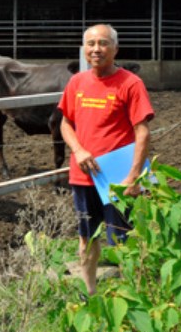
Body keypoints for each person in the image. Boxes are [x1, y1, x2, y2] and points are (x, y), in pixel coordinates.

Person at [58, 23, 154, 295]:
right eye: (90, 44)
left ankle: (133, 294)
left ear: (115, 48)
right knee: (87, 238)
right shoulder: (77, 82)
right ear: (84, 49)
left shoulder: (130, 84)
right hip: (84, 176)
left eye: (103, 43)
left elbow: (142, 132)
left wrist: (133, 176)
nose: (96, 49)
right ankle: (90, 294)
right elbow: (66, 123)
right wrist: (78, 149)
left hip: (118, 179)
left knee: (124, 239)